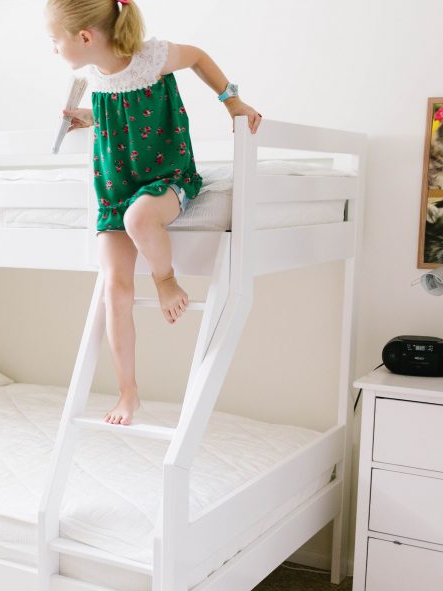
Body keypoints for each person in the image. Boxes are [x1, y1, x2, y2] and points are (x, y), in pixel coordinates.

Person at [46, 0, 262, 426]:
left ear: (85, 37)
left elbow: (198, 56)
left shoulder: (152, 57)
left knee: (140, 218)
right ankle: (129, 392)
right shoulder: (92, 75)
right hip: (114, 187)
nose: (53, 50)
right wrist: (86, 119)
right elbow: (121, 116)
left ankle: (166, 280)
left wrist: (232, 102)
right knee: (116, 292)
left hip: (166, 177)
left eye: (55, 41)